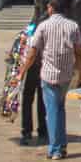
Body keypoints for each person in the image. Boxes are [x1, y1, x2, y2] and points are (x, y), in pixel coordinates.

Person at [22, 0, 81, 160]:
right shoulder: (73, 26)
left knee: (52, 111)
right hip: (66, 75)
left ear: (51, 8)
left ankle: (55, 149)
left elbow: (33, 51)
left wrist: (23, 71)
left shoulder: (43, 26)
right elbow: (78, 52)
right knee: (60, 109)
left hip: (49, 75)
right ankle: (62, 144)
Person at [16, 13, 48, 148]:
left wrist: (21, 71)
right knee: (41, 101)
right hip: (41, 68)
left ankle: (27, 131)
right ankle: (42, 130)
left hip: (33, 68)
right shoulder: (42, 32)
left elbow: (30, 53)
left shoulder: (32, 32)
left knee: (29, 100)